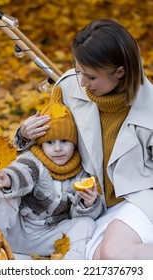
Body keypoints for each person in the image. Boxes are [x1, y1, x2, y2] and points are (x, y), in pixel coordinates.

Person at [14, 18, 153, 260]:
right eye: (78, 70)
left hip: (138, 198)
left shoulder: (150, 108)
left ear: (120, 72)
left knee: (114, 255)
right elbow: (52, 140)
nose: (82, 82)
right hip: (88, 203)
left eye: (90, 77)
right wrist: (24, 134)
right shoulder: (68, 87)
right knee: (99, 262)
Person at [0, 86, 103, 260]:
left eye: (64, 141)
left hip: (50, 236)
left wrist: (88, 203)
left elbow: (76, 215)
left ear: (74, 143)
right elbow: (23, 172)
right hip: (17, 230)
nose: (57, 149)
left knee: (86, 224)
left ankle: (73, 265)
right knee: (1, 194)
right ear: (42, 144)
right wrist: (8, 179)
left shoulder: (81, 173)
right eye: (50, 143)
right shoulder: (34, 160)